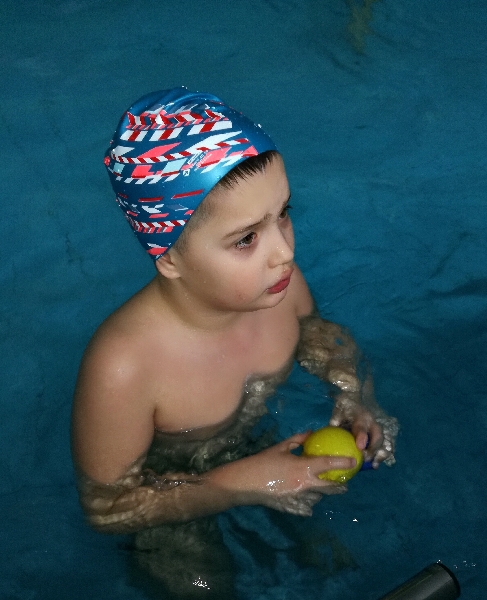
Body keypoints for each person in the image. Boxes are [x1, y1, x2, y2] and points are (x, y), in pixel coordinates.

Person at [72, 88, 398, 598]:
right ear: (170, 258)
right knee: (201, 584)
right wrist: (239, 484)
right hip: (170, 494)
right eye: (247, 238)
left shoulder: (279, 288)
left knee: (333, 564)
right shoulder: (126, 366)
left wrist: (354, 396)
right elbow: (108, 507)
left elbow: (320, 337)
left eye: (283, 213)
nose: (283, 252)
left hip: (260, 442)